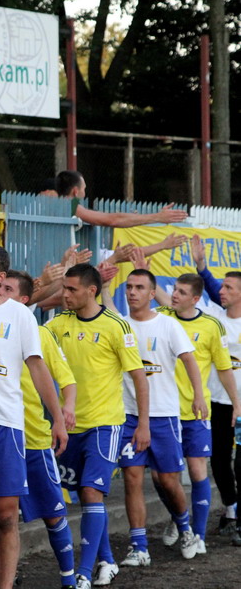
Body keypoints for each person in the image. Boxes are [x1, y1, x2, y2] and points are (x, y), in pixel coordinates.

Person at [0, 246, 67, 589]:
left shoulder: (20, 316)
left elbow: (37, 368)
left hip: (7, 427)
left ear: (0, 277)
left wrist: (59, 419)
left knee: (6, 515)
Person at [46, 263, 150, 589]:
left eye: (71, 289)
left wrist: (143, 423)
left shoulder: (116, 326)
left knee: (92, 491)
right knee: (86, 495)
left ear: (91, 291)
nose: (64, 294)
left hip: (106, 425)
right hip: (69, 426)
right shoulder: (56, 324)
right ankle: (106, 559)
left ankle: (82, 573)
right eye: (63, 288)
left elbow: (139, 377)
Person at [99, 268, 201, 565]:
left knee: (168, 481)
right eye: (129, 287)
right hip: (129, 415)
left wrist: (196, 395)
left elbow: (189, 360)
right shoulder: (121, 325)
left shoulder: (168, 325)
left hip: (163, 416)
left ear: (151, 292)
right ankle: (139, 546)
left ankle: (184, 526)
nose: (132, 292)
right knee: (132, 478)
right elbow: (110, 307)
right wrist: (106, 285)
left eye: (139, 287)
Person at [0, 270, 80, 588]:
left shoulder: (40, 335)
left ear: (23, 301)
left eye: (7, 288)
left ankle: (69, 578)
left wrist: (66, 409)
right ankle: (6, 574)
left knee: (53, 513)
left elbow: (67, 380)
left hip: (33, 439)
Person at [151, 272, 239, 554]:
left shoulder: (212, 326)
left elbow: (224, 367)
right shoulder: (160, 317)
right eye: (173, 290)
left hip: (196, 411)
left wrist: (237, 403)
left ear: (195, 299)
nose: (174, 295)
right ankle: (180, 519)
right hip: (163, 411)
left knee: (198, 469)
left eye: (181, 292)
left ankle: (197, 536)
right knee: (160, 477)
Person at [189, 235, 241, 541]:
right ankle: (231, 508)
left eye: (229, 288)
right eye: (220, 287)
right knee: (220, 460)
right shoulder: (215, 320)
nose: (221, 292)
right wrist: (201, 268)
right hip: (220, 402)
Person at [54, 170, 188, 228]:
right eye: (84, 189)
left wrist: (134, 217)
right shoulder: (72, 206)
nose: (84, 192)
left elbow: (108, 217)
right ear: (76, 191)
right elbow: (112, 220)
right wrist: (157, 217)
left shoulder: (57, 204)